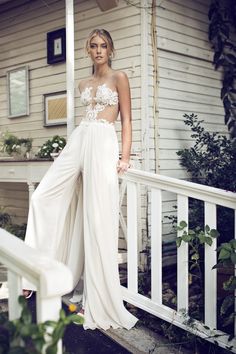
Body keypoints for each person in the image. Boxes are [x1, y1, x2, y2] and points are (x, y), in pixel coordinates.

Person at [23, 28, 138, 330]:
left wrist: (124, 157)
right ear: (88, 50)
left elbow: (126, 119)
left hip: (103, 143)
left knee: (97, 218)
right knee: (42, 195)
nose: (98, 50)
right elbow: (85, 122)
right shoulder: (83, 83)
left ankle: (96, 301)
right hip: (80, 139)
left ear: (111, 49)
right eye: (93, 46)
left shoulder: (120, 78)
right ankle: (31, 274)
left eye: (103, 46)